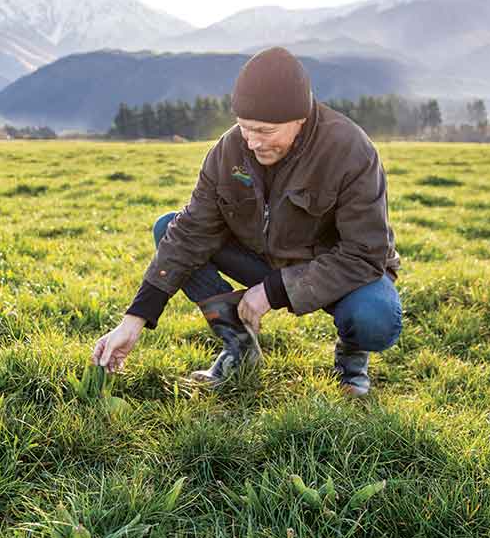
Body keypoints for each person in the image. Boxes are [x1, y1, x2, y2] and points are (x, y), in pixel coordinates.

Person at [92, 46, 402, 394]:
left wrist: (272, 291)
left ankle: (351, 362)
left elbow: (365, 253)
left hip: (337, 270)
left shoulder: (351, 150)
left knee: (374, 317)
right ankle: (239, 347)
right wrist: (135, 319)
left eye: (265, 131)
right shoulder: (228, 151)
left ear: (300, 118)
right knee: (169, 228)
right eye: (244, 128)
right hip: (263, 258)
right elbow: (190, 233)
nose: (252, 142)